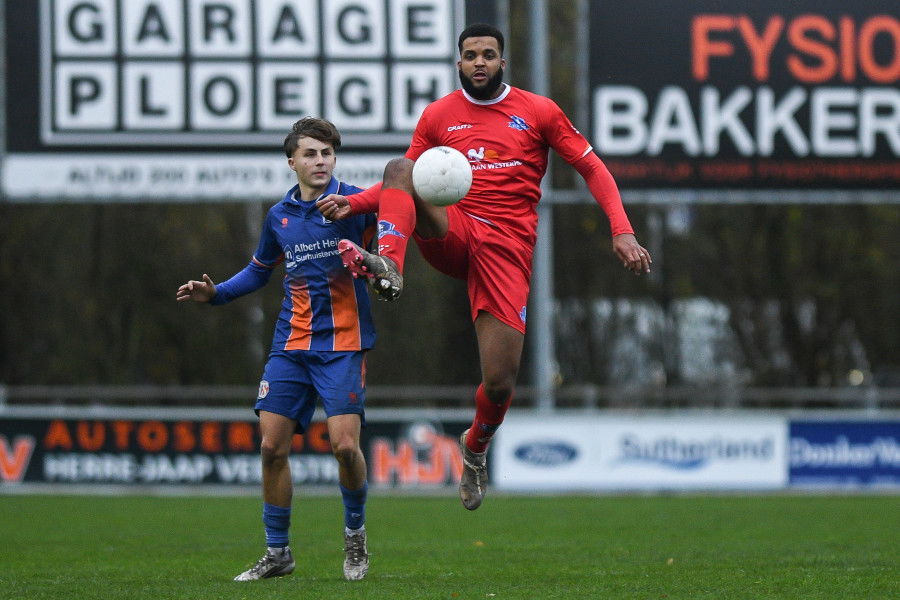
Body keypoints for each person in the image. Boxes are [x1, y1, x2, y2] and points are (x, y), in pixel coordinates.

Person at [317, 23, 651, 511]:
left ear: (502, 62)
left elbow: (592, 168)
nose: (479, 62)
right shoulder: (438, 115)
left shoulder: (539, 111)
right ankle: (389, 264)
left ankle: (474, 448)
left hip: (507, 247)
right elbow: (404, 184)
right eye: (470, 54)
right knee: (398, 169)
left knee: (500, 381)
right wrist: (356, 205)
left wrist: (621, 229)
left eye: (488, 54)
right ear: (458, 63)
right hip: (453, 227)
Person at [176, 117, 376, 581]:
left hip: (344, 344)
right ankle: (278, 553)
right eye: (310, 153)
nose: (320, 160)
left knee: (345, 448)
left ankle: (355, 536)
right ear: (292, 162)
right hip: (291, 345)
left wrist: (379, 262)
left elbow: (393, 235)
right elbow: (259, 270)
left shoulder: (356, 204)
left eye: (327, 153)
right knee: (270, 448)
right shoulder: (278, 216)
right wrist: (218, 293)